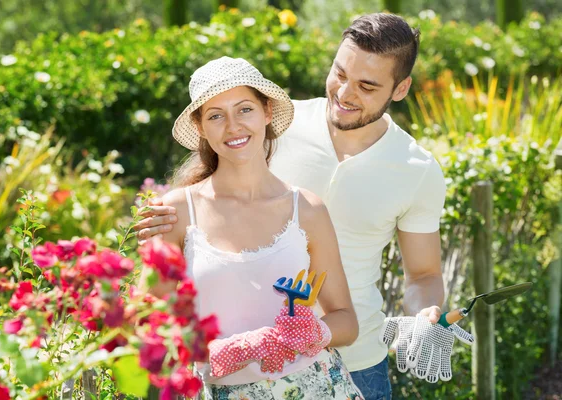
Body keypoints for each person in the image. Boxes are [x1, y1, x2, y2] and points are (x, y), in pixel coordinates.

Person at [136, 13, 474, 399]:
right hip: (229, 373)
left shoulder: (417, 169)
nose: (345, 93)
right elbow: (220, 160)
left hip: (357, 358)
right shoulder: (278, 122)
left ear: (400, 89)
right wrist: (171, 217)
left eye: (366, 86)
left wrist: (426, 313)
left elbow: (424, 274)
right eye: (340, 73)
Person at [141, 56, 364, 399]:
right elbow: (146, 324)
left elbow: (346, 321)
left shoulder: (305, 209)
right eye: (216, 116)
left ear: (267, 112)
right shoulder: (177, 212)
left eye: (244, 109)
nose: (233, 126)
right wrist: (203, 351)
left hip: (317, 387)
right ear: (200, 127)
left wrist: (309, 333)